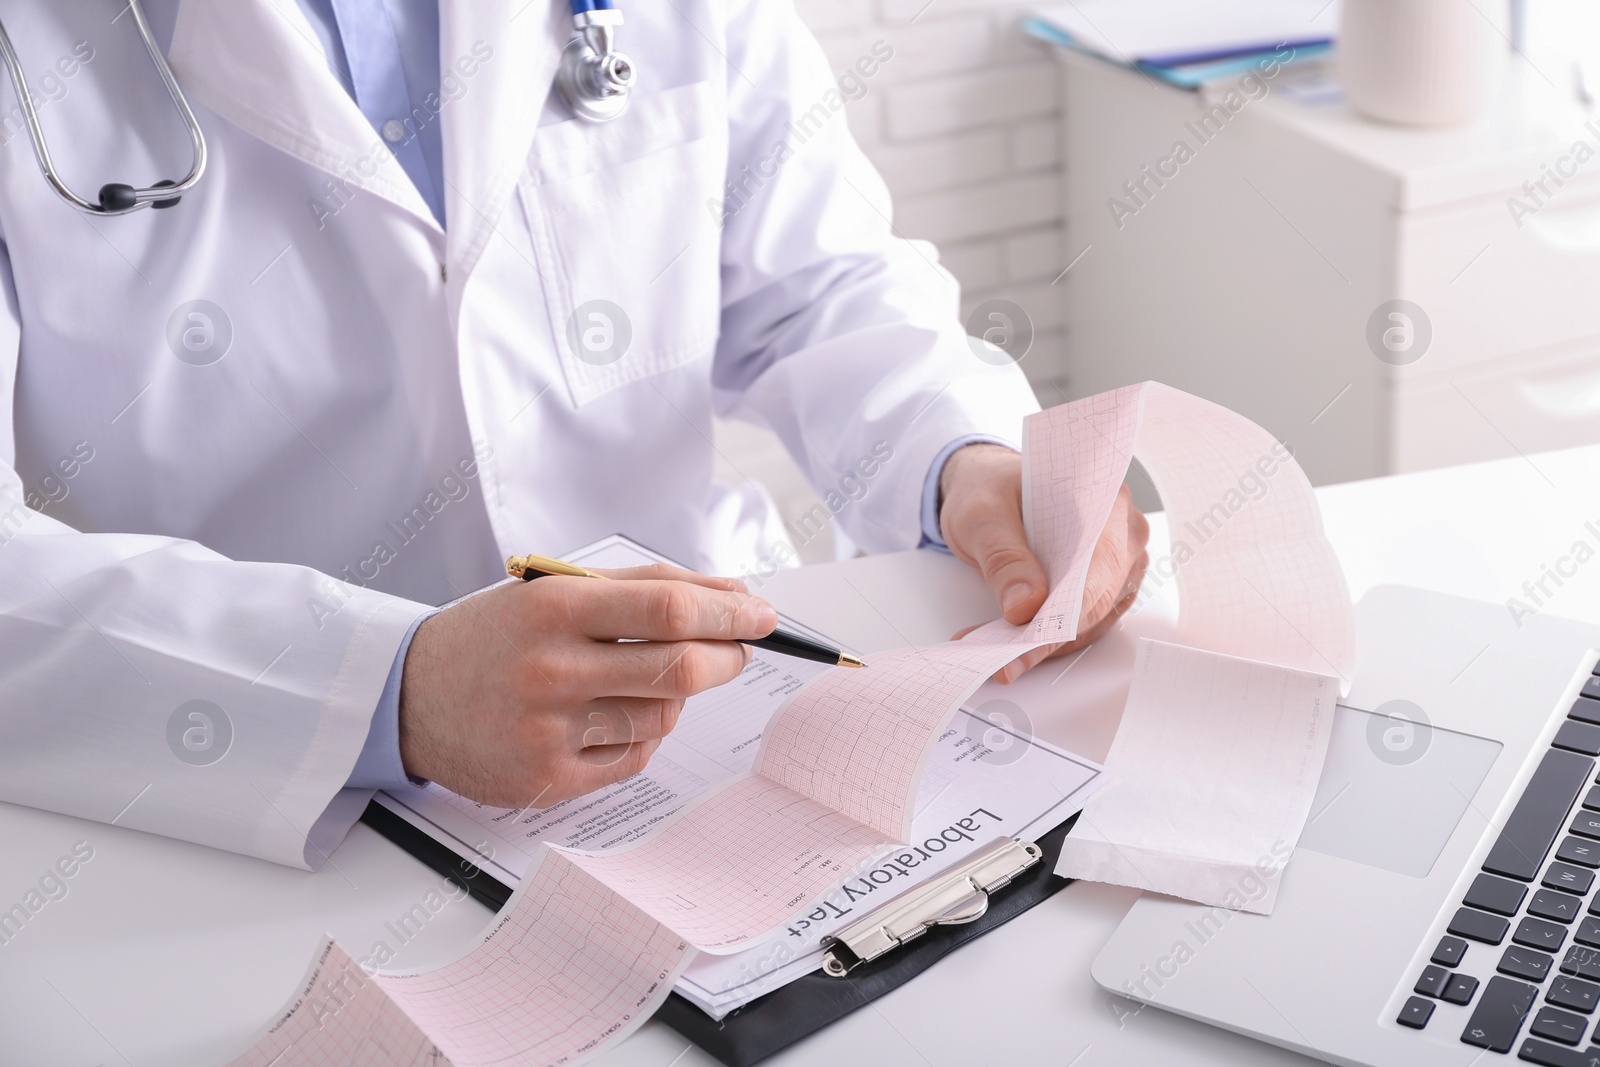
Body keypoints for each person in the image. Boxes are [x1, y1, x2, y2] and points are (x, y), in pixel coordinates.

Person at [0, 0, 1147, 869]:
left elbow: (821, 287)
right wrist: (383, 689)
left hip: (708, 737)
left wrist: (964, 456)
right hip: (256, 805)